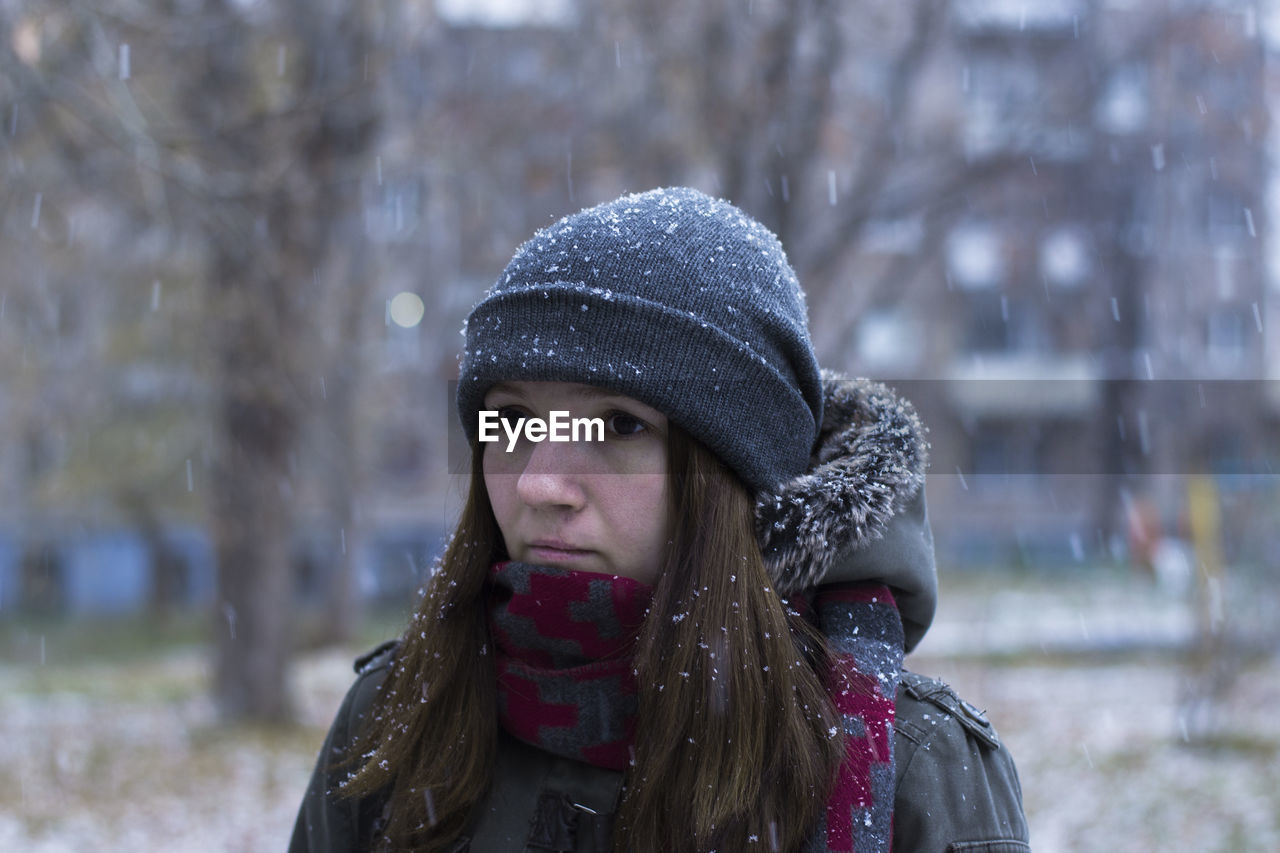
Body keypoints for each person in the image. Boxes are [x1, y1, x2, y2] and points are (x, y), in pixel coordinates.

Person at [289, 187, 1029, 852]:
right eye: (511, 418)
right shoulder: (396, 722)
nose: (543, 480)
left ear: (734, 474)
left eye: (616, 425)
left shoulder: (912, 768)